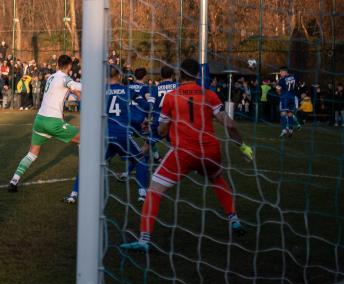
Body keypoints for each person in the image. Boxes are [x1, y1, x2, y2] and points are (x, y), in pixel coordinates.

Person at [120, 58, 254, 252]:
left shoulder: (171, 96)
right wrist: (243, 147)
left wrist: (158, 126)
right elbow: (230, 125)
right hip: (210, 151)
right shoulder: (209, 95)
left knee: (154, 190)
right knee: (217, 179)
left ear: (178, 75)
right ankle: (234, 220)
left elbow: (163, 130)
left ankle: (144, 239)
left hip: (183, 153)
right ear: (198, 75)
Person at [65, 66, 148, 204]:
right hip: (122, 135)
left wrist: (79, 97)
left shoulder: (99, 91)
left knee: (88, 164)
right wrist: (144, 114)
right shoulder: (128, 90)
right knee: (140, 160)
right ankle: (142, 194)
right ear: (119, 76)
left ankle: (74, 194)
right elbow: (144, 106)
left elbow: (84, 107)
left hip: (103, 135)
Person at [8, 54, 82, 192]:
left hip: (39, 120)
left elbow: (63, 92)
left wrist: (75, 92)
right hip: (53, 122)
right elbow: (78, 86)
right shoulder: (65, 78)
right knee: (84, 139)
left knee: (32, 154)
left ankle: (14, 180)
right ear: (69, 66)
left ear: (57, 65)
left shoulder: (52, 77)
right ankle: (86, 176)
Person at [277, 67, 301, 137]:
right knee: (290, 114)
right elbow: (298, 84)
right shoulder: (294, 77)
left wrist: (280, 93)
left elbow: (278, 90)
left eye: (281, 72)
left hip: (285, 98)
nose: (280, 74)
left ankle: (284, 130)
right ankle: (291, 130)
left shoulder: (281, 80)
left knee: (283, 114)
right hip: (292, 97)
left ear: (285, 72)